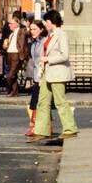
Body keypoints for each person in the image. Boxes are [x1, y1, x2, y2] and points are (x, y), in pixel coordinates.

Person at [31, 11, 78, 141]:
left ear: (52, 22)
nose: (45, 24)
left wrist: (48, 59)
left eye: (47, 21)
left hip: (57, 72)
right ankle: (41, 130)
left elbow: (64, 55)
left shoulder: (61, 35)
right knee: (42, 101)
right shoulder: (49, 36)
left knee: (60, 101)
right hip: (47, 72)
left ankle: (70, 128)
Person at [25, 18, 46, 136]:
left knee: (37, 102)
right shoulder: (34, 42)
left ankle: (35, 126)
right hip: (36, 76)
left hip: (42, 76)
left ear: (41, 29)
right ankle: (45, 126)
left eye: (35, 29)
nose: (32, 31)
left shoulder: (43, 42)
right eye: (31, 29)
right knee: (39, 102)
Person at [3, 15, 24, 97]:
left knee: (10, 75)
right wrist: (5, 46)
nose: (9, 25)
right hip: (9, 54)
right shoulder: (11, 34)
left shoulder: (21, 31)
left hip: (16, 55)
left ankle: (10, 89)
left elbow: (27, 32)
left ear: (16, 24)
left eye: (11, 23)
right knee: (13, 75)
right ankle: (14, 92)